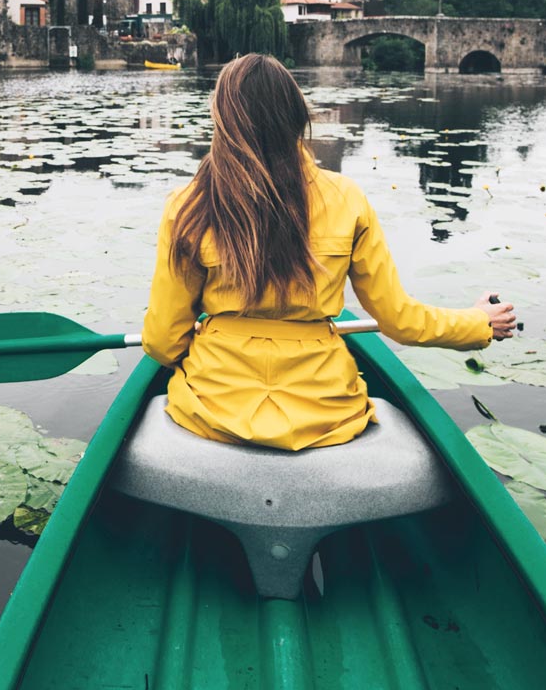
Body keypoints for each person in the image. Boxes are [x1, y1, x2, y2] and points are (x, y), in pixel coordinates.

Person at [142, 54, 516, 451]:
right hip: (327, 415)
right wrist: (480, 322)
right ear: (296, 119)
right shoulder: (347, 198)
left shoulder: (187, 205)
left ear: (223, 123)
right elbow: (400, 322)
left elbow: (163, 342)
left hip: (211, 411)